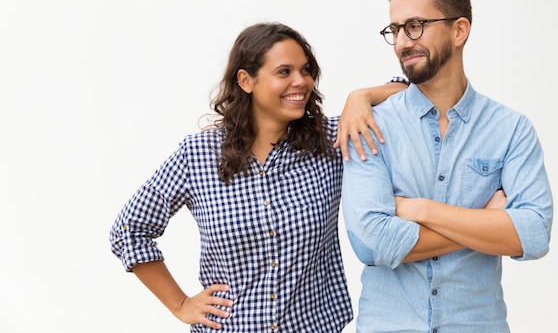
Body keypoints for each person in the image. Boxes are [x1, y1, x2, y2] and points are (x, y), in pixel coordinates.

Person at [109, 22, 407, 332]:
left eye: (305, 71)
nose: (301, 82)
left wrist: (360, 97)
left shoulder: (331, 140)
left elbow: (411, 94)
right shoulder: (197, 155)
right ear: (246, 80)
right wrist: (180, 304)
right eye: (284, 72)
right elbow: (129, 230)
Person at [341, 0, 554, 333]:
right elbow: (372, 243)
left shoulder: (511, 129)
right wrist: (484, 222)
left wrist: (419, 209)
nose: (403, 42)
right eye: (395, 30)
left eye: (416, 25)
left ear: (459, 30)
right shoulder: (369, 125)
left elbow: (533, 235)